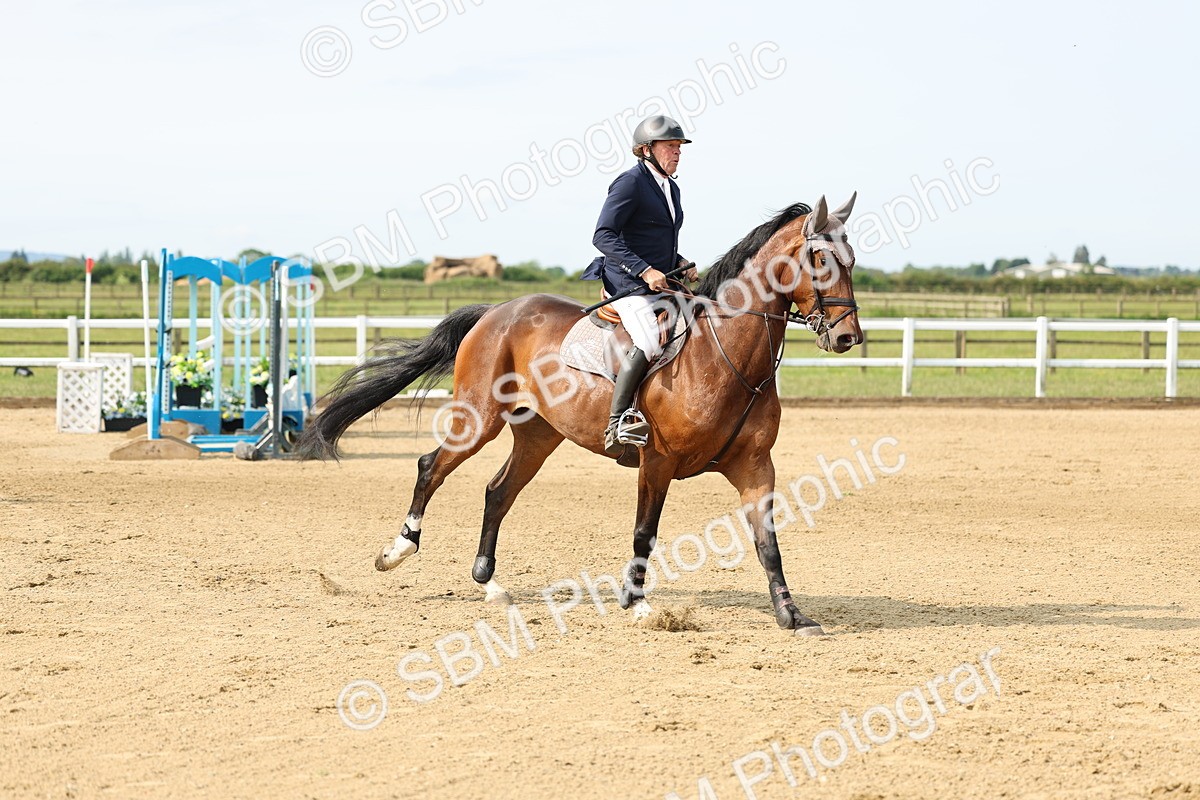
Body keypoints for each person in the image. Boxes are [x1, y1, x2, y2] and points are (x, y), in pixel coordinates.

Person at [581, 115, 699, 456]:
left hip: (660, 281)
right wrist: (644, 270)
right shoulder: (630, 183)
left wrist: (677, 261)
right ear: (646, 150)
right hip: (626, 283)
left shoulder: (671, 188)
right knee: (648, 339)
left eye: (679, 147)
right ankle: (617, 421)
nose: (677, 153)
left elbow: (652, 238)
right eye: (670, 146)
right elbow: (602, 236)